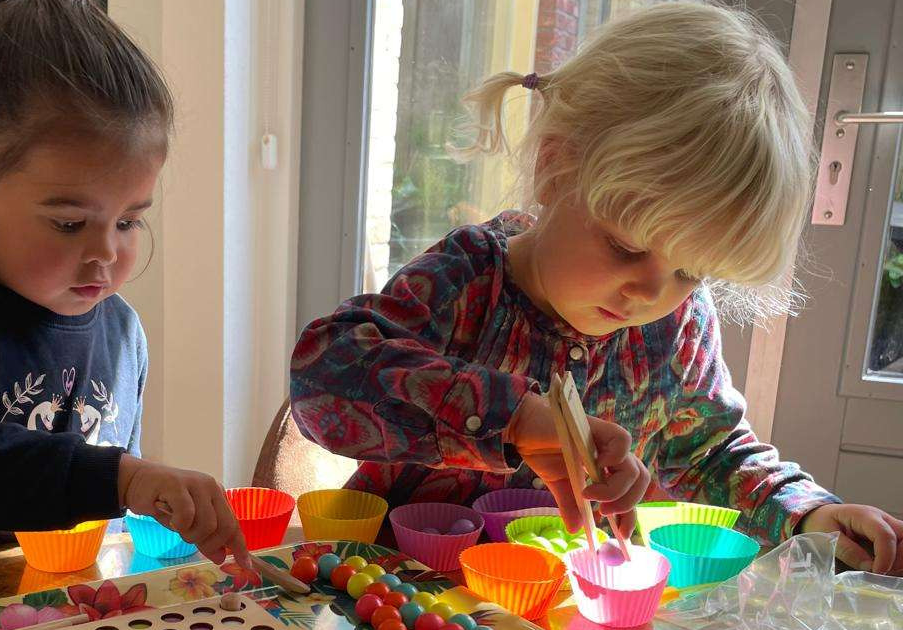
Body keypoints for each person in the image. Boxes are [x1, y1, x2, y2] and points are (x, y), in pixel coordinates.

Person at [290, 2, 903, 574]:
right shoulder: (468, 280)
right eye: (626, 246)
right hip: (403, 594)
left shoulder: (678, 323)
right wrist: (515, 417)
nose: (650, 291)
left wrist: (808, 514)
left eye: (690, 271)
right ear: (556, 169)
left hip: (565, 610)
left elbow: (711, 450)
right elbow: (323, 380)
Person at [0, 0, 250, 570]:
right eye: (68, 223)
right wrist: (122, 477)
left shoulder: (123, 333)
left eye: (129, 220)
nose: (106, 255)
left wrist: (157, 502)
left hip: (57, 627)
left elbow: (107, 514)